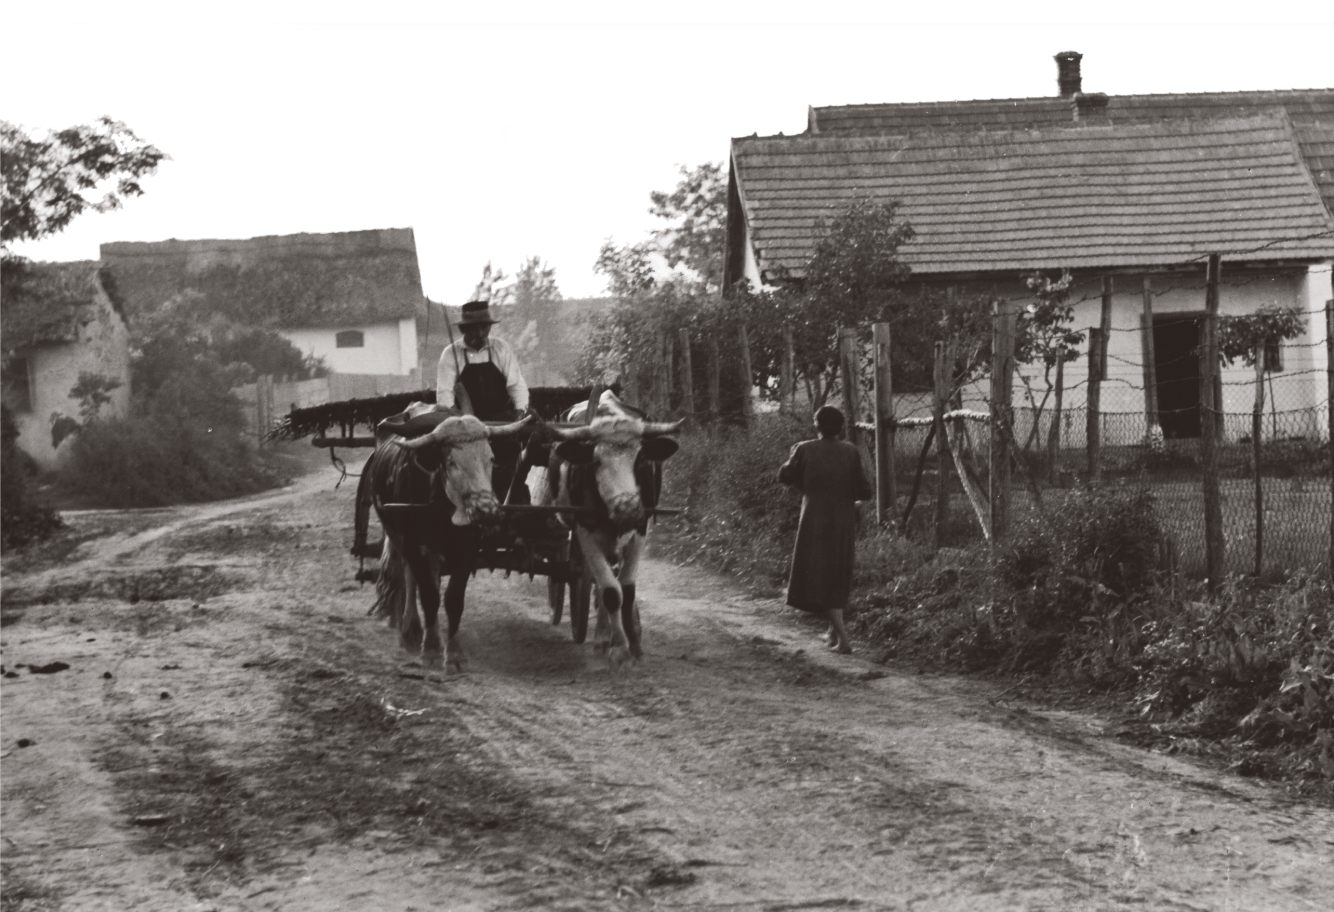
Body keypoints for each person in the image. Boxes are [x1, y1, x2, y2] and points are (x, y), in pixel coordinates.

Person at [778, 405, 873, 655]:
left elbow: (784, 476)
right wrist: (847, 500)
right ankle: (832, 633)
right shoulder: (850, 452)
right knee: (836, 575)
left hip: (814, 521)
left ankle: (843, 640)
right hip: (843, 522)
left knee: (821, 578)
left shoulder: (804, 449)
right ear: (841, 428)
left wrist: (800, 472)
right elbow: (865, 491)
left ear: (816, 426)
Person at [436, 296, 531, 502]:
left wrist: (520, 413)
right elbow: (444, 397)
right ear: (463, 330)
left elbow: (517, 386)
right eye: (473, 328)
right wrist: (461, 425)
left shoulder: (501, 349)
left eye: (484, 327)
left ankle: (514, 508)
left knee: (509, 472)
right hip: (467, 431)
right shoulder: (450, 355)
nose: (479, 333)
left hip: (501, 425)